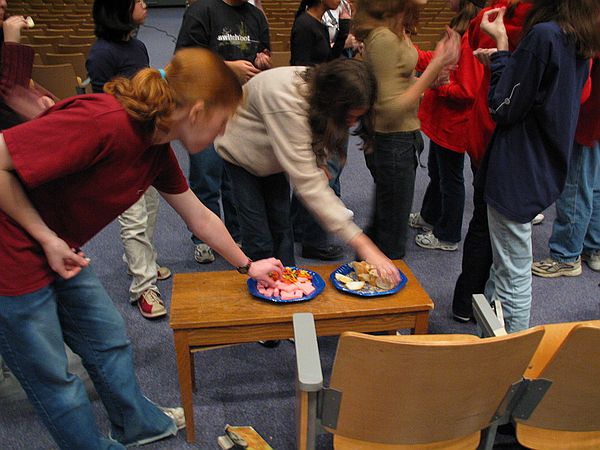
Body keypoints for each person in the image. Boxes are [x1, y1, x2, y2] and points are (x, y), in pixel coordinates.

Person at [0, 48, 283, 449]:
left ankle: (136, 424)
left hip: (58, 244)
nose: (223, 133)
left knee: (107, 337)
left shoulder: (155, 148)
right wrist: (45, 238)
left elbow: (199, 217)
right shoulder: (102, 121)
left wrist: (247, 265)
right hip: (10, 251)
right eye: (223, 122)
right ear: (198, 112)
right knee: (52, 376)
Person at [215, 59, 401, 286]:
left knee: (282, 229)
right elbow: (308, 183)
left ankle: (289, 288)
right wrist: (364, 245)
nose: (352, 125)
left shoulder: (323, 94)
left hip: (273, 156)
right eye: (350, 117)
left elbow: (317, 130)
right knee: (259, 238)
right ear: (335, 104)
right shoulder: (286, 102)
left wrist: (321, 162)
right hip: (240, 156)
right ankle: (267, 300)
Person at [476, 0, 599, 332]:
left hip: (519, 168)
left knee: (512, 275)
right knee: (503, 268)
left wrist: (501, 53)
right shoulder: (581, 36)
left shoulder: (546, 36)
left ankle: (512, 359)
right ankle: (489, 343)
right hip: (541, 163)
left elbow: (503, 106)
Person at [352, 0, 461, 259]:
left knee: (383, 224)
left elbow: (397, 80)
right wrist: (433, 68)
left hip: (401, 139)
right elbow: (390, 107)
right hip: (391, 142)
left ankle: (364, 283)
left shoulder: (395, 31)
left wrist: (430, 81)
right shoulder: (383, 38)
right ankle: (378, 292)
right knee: (391, 238)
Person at [86, 0, 172, 319]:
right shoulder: (101, 54)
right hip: (122, 149)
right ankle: (143, 286)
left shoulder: (138, 47)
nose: (145, 4)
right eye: (136, 1)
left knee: (151, 208)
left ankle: (142, 262)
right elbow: (103, 108)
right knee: (133, 217)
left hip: (146, 141)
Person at [450, 0, 534, 323]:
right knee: (492, 230)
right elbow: (476, 38)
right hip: (500, 134)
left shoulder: (517, 13)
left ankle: (471, 299)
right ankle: (471, 300)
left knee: (489, 225)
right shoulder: (528, 16)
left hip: (495, 130)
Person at [175, 0, 271, 264]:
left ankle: (234, 234)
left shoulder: (255, 15)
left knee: (236, 178)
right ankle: (203, 241)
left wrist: (262, 60)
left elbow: (264, 51)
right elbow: (184, 60)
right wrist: (229, 67)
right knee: (206, 175)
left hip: (241, 108)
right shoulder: (201, 10)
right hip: (205, 108)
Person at [410, 0, 483, 252]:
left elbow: (468, 90)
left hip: (454, 125)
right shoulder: (460, 30)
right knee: (437, 172)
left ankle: (448, 234)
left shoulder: (472, 36)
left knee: (450, 180)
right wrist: (416, 56)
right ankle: (430, 216)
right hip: (443, 123)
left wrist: (438, 86)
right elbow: (440, 61)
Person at [289, 0, 352, 261]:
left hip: (322, 101)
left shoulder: (319, 22)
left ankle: (298, 228)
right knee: (324, 172)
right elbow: (301, 71)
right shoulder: (304, 25)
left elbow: (329, 60)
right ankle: (315, 242)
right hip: (316, 106)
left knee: (319, 170)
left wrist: (345, 28)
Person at [532, 54, 600, 277]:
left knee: (576, 185)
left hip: (588, 116)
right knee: (594, 184)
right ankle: (593, 247)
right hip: (594, 117)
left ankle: (566, 256)